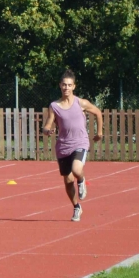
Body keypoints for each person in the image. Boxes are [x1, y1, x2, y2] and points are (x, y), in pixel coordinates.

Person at [42, 69, 103, 222]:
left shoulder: (80, 102)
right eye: (64, 85)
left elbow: (98, 113)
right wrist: (47, 129)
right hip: (63, 146)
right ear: (60, 86)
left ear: (74, 87)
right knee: (68, 180)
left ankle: (82, 181)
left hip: (80, 142)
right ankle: (76, 207)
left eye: (69, 85)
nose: (66, 88)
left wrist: (100, 132)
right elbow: (49, 121)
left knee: (77, 170)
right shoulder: (54, 106)